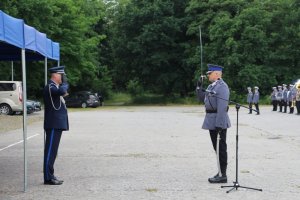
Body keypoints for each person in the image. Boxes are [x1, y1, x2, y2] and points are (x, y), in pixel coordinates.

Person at [196, 64, 231, 183]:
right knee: (216, 148)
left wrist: (220, 124)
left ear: (216, 74)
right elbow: (202, 99)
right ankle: (220, 172)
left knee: (221, 148)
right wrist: (199, 87)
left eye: (209, 73)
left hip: (218, 121)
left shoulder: (222, 87)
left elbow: (222, 107)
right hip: (211, 119)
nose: (208, 75)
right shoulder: (212, 86)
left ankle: (223, 175)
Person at [43, 66, 69, 185]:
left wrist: (63, 86)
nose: (63, 78)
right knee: (50, 151)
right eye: (61, 75)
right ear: (56, 75)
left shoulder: (55, 87)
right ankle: (48, 177)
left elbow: (62, 93)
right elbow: (62, 92)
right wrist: (65, 84)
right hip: (53, 123)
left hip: (56, 123)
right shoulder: (50, 87)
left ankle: (50, 175)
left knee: (53, 151)